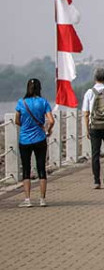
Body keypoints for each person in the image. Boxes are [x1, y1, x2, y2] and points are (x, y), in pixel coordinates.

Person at [14, 78, 55, 207]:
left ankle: (27, 200)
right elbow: (51, 120)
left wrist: (25, 125)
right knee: (41, 167)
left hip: (24, 139)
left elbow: (16, 120)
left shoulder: (21, 102)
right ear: (39, 88)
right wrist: (48, 130)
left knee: (26, 169)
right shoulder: (43, 102)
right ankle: (42, 199)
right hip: (40, 138)